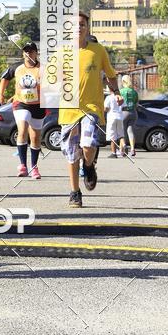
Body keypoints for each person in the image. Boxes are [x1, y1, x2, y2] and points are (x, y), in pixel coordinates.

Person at [59, 11, 122, 208]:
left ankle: (88, 166)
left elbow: (111, 74)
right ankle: (75, 192)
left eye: (82, 23)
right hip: (68, 109)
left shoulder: (98, 50)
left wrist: (117, 92)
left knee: (88, 145)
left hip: (92, 108)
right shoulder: (61, 52)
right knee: (71, 153)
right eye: (74, 24)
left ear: (87, 27)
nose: (78, 27)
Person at [0, 42, 44, 179]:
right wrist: (1, 93)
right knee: (22, 129)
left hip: (38, 105)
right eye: (26, 52)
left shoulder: (43, 68)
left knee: (35, 138)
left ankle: (34, 167)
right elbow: (4, 78)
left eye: (31, 51)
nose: (28, 54)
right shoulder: (17, 67)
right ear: (23, 53)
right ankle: (23, 165)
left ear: (36, 53)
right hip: (21, 103)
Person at [119, 74, 139, 157]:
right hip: (133, 113)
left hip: (123, 112)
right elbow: (137, 104)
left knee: (122, 133)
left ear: (123, 82)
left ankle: (122, 150)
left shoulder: (121, 91)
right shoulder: (134, 92)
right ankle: (132, 149)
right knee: (131, 131)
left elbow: (118, 103)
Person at [104, 89, 125, 158]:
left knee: (112, 136)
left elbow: (106, 108)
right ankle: (123, 146)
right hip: (120, 116)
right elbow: (124, 107)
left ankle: (114, 153)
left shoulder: (109, 97)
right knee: (121, 134)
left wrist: (105, 109)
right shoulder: (121, 97)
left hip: (111, 117)